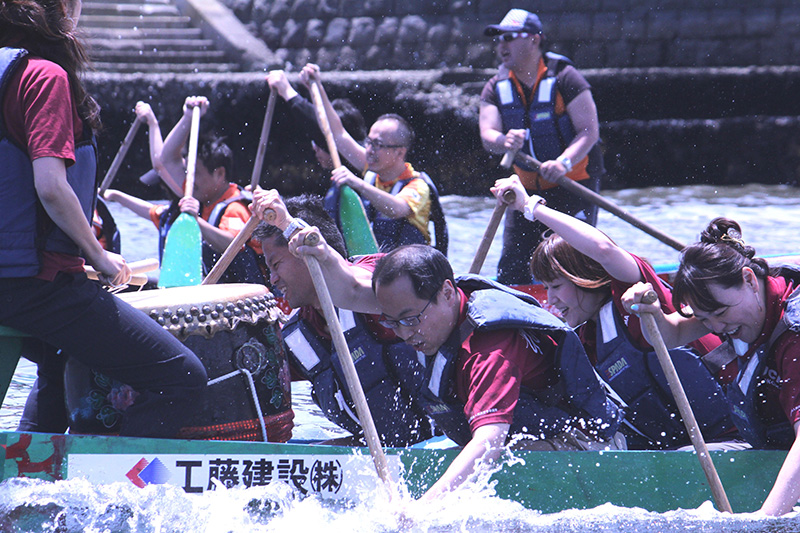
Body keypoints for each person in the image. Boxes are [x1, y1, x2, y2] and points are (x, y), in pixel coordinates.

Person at [254, 216, 625, 498]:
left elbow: (488, 442)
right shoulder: (423, 309)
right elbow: (350, 291)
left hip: (588, 449)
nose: (405, 334)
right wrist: (314, 247)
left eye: (411, 320)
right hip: (508, 438)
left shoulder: (490, 347)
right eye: (394, 323)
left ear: (447, 293)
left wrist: (422, 512)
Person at [0, 0, 207, 437]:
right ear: (60, 10)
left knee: (57, 359)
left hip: (15, 283)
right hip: (37, 285)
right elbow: (51, 186)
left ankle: (33, 465)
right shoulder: (43, 76)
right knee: (183, 379)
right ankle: (108, 474)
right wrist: (98, 256)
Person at [491, 175, 737, 450]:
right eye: (545, 288)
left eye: (556, 286)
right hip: (672, 450)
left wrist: (529, 206)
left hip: (730, 439)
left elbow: (604, 250)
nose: (550, 299)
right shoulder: (584, 340)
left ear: (584, 276)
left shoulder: (633, 294)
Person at [622, 217, 800, 516]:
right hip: (775, 447)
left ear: (749, 279)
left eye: (720, 313)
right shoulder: (737, 303)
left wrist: (764, 518)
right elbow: (672, 334)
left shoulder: (794, 332)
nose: (716, 328)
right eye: (705, 319)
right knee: (685, 461)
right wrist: (650, 313)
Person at [250, 189, 432, 447]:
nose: (273, 279)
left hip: (440, 440)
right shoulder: (300, 333)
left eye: (276, 265)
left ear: (304, 252)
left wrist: (287, 224)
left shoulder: (379, 277)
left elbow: (353, 287)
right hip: (379, 447)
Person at [479, 9, 604, 285]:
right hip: (523, 191)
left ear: (534, 40)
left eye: (509, 37)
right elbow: (488, 135)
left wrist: (563, 163)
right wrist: (503, 141)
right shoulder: (495, 87)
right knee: (513, 270)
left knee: (572, 264)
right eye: (498, 39)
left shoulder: (566, 77)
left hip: (573, 186)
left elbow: (588, 131)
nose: (501, 45)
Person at [106, 97, 264, 284]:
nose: (188, 179)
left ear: (219, 173)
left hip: (247, 294)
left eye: (195, 173)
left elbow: (233, 245)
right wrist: (187, 117)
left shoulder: (235, 208)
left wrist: (196, 219)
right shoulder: (201, 197)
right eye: (188, 172)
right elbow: (165, 162)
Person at [300, 64, 448, 255]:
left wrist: (357, 183)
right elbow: (338, 133)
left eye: (378, 144)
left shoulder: (418, 186)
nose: (369, 150)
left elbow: (396, 208)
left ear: (399, 152)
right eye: (369, 142)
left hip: (410, 267)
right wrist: (317, 88)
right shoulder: (372, 171)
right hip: (380, 264)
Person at [266, 69, 369, 230]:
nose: (315, 147)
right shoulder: (331, 175)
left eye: (320, 142)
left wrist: (287, 91)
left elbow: (329, 132)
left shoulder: (363, 166)